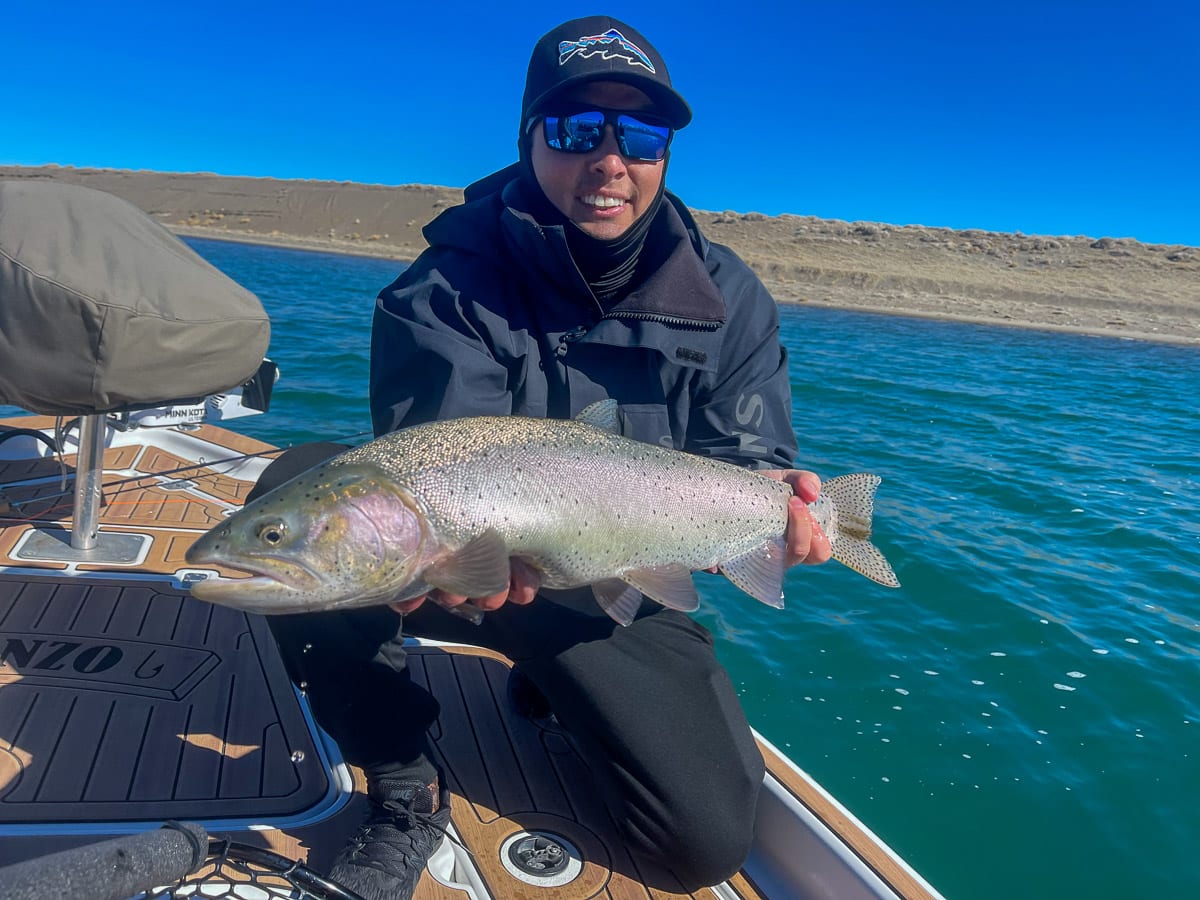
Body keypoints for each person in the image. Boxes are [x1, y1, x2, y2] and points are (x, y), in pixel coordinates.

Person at [257, 15, 832, 899]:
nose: (610, 159)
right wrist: (469, 559)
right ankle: (404, 786)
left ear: (664, 153)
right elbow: (436, 465)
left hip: (611, 579)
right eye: (575, 129)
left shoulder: (731, 298)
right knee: (299, 489)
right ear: (530, 137)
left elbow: (745, 450)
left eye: (640, 134)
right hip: (461, 565)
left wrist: (778, 502)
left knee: (704, 844)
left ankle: (553, 692)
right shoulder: (442, 286)